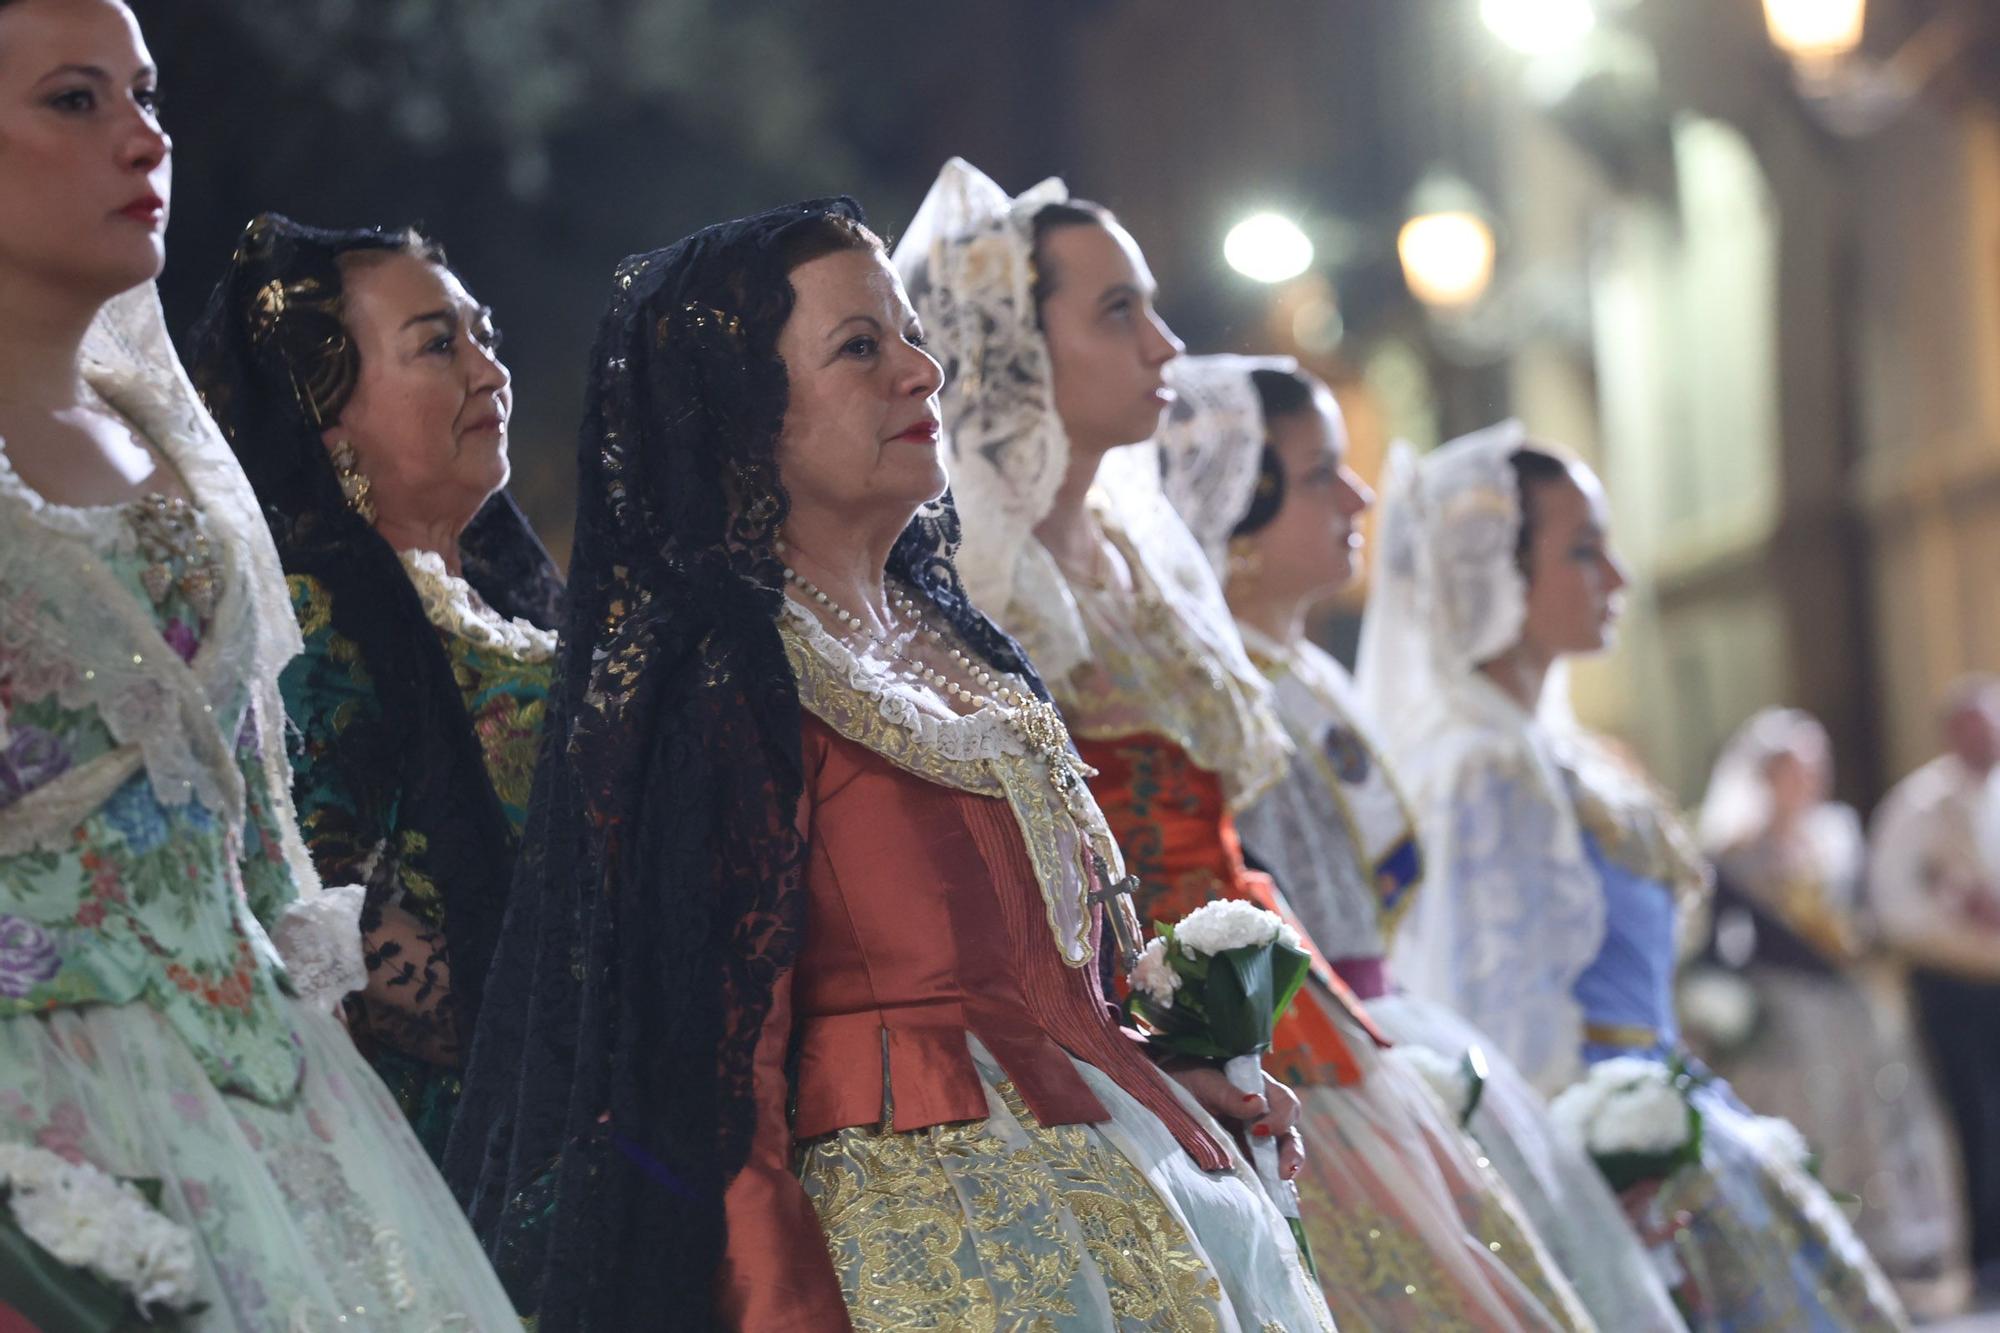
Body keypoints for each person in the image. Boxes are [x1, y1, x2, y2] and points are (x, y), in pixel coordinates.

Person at [444, 196, 1334, 1333]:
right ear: (740, 415)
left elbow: (1048, 969)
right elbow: (704, 1091)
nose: (921, 373)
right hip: (923, 1260)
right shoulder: (722, 679)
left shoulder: (964, 643)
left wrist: (1158, 1067)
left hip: (1136, 1191)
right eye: (859, 347)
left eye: (909, 335)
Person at [901, 157, 1596, 1332]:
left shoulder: (1143, 574)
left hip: (1281, 1007)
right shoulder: (982, 584)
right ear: (1016, 342)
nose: (1164, 345)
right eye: (1117, 312)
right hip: (1142, 1037)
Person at [0, 0, 520, 1325]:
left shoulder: (172, 453)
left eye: (149, 94)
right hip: (42, 1093)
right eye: (78, 99)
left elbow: (260, 843)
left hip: (271, 1095)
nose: (143, 137)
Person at [1159, 352, 1685, 1331]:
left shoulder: (1311, 674)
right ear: (1240, 499)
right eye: (1320, 473)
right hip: (1312, 1066)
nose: (1356, 492)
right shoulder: (1213, 695)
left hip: (1386, 1038)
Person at [1358, 421, 1908, 1329]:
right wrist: (1587, 1202)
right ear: (1495, 573)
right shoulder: (1479, 767)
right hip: (1603, 1165)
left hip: (1654, 1118)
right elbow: (1494, 1021)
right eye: (1584, 550)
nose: (1616, 575)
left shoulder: (1549, 753)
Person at [187, 214, 563, 1164]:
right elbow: (296, 893)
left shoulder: (515, 613)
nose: (490, 372)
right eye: (439, 344)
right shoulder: (310, 624)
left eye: (484, 337)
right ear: (327, 413)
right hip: (442, 1151)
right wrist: (565, 1046)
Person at [1693, 707, 1969, 1313]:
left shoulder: (1836, 834)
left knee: (1871, 1127)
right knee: (1804, 1126)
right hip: (1786, 1015)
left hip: (1845, 1008)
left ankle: (1879, 1259)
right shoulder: (1735, 851)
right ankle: (1803, 1251)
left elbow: (1865, 911)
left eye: (1816, 766)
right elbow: (1719, 946)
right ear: (1768, 775)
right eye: (1796, 768)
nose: (1809, 779)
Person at [1870, 676, 2000, 1290]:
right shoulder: (1918, 806)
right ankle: (1988, 1253)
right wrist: (1960, 920)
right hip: (1952, 983)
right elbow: (1894, 905)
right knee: (1974, 1117)